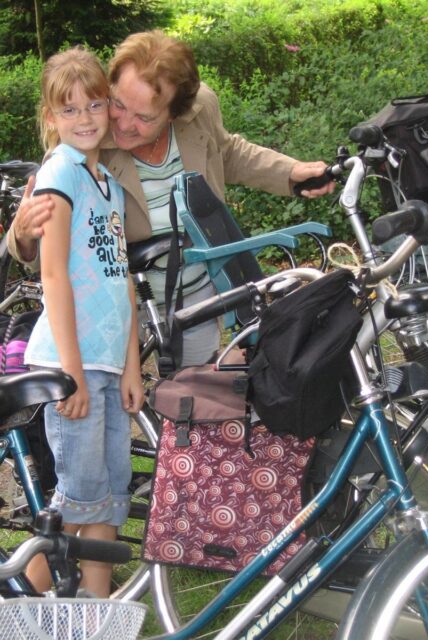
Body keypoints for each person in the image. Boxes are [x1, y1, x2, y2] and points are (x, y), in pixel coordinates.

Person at [8, 30, 335, 366]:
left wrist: (290, 172)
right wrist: (23, 236)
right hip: (117, 307)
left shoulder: (199, 110)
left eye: (145, 117)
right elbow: (53, 249)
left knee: (192, 390)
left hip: (194, 296)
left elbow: (226, 153)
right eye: (118, 104)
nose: (123, 123)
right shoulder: (85, 141)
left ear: (173, 114)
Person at [23, 46, 144, 597]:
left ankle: (96, 616)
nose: (85, 118)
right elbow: (53, 276)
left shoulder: (109, 185)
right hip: (73, 363)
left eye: (94, 104)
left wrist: (131, 366)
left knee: (111, 496)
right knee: (76, 502)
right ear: (51, 117)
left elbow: (123, 280)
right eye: (69, 109)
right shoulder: (59, 174)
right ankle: (20, 605)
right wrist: (70, 373)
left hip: (108, 364)